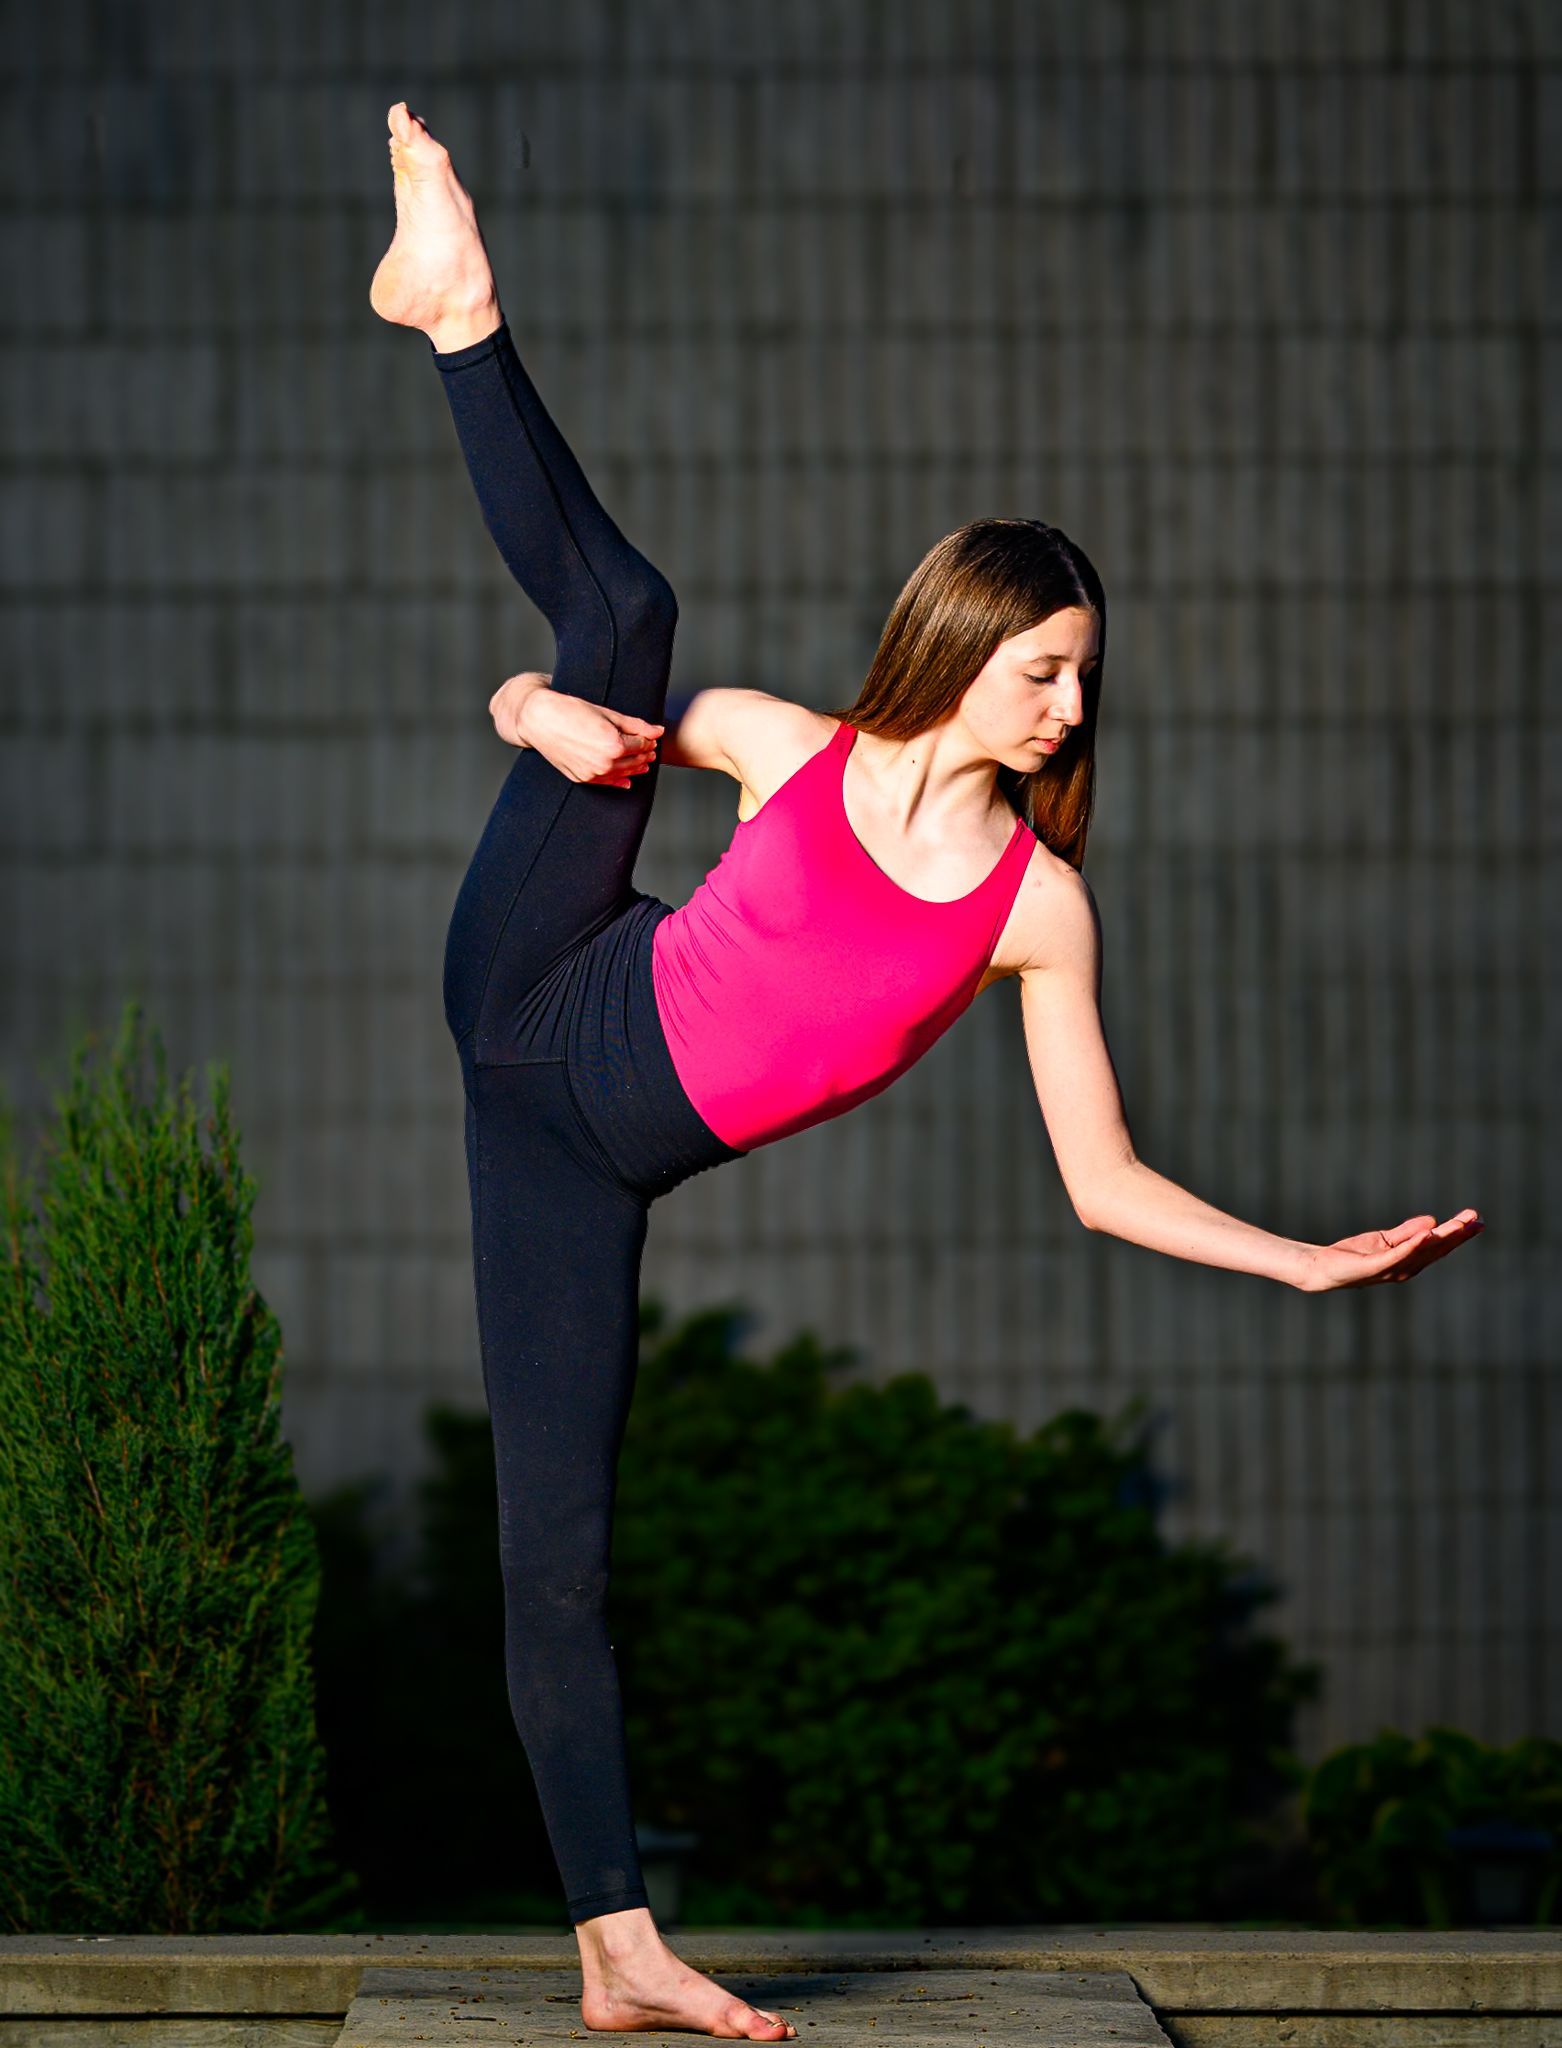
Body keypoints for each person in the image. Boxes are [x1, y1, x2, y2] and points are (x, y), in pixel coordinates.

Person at [369, 100, 1481, 2038]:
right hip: (534, 983)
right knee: (627, 620)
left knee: (558, 1562)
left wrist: (1304, 1260)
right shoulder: (795, 749)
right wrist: (538, 712)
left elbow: (1102, 1180)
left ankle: (615, 1950)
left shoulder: (1035, 913)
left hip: (575, 1167)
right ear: (961, 646)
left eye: (1083, 676)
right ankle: (455, 308)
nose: (1068, 702)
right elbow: (562, 698)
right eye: (1045, 663)